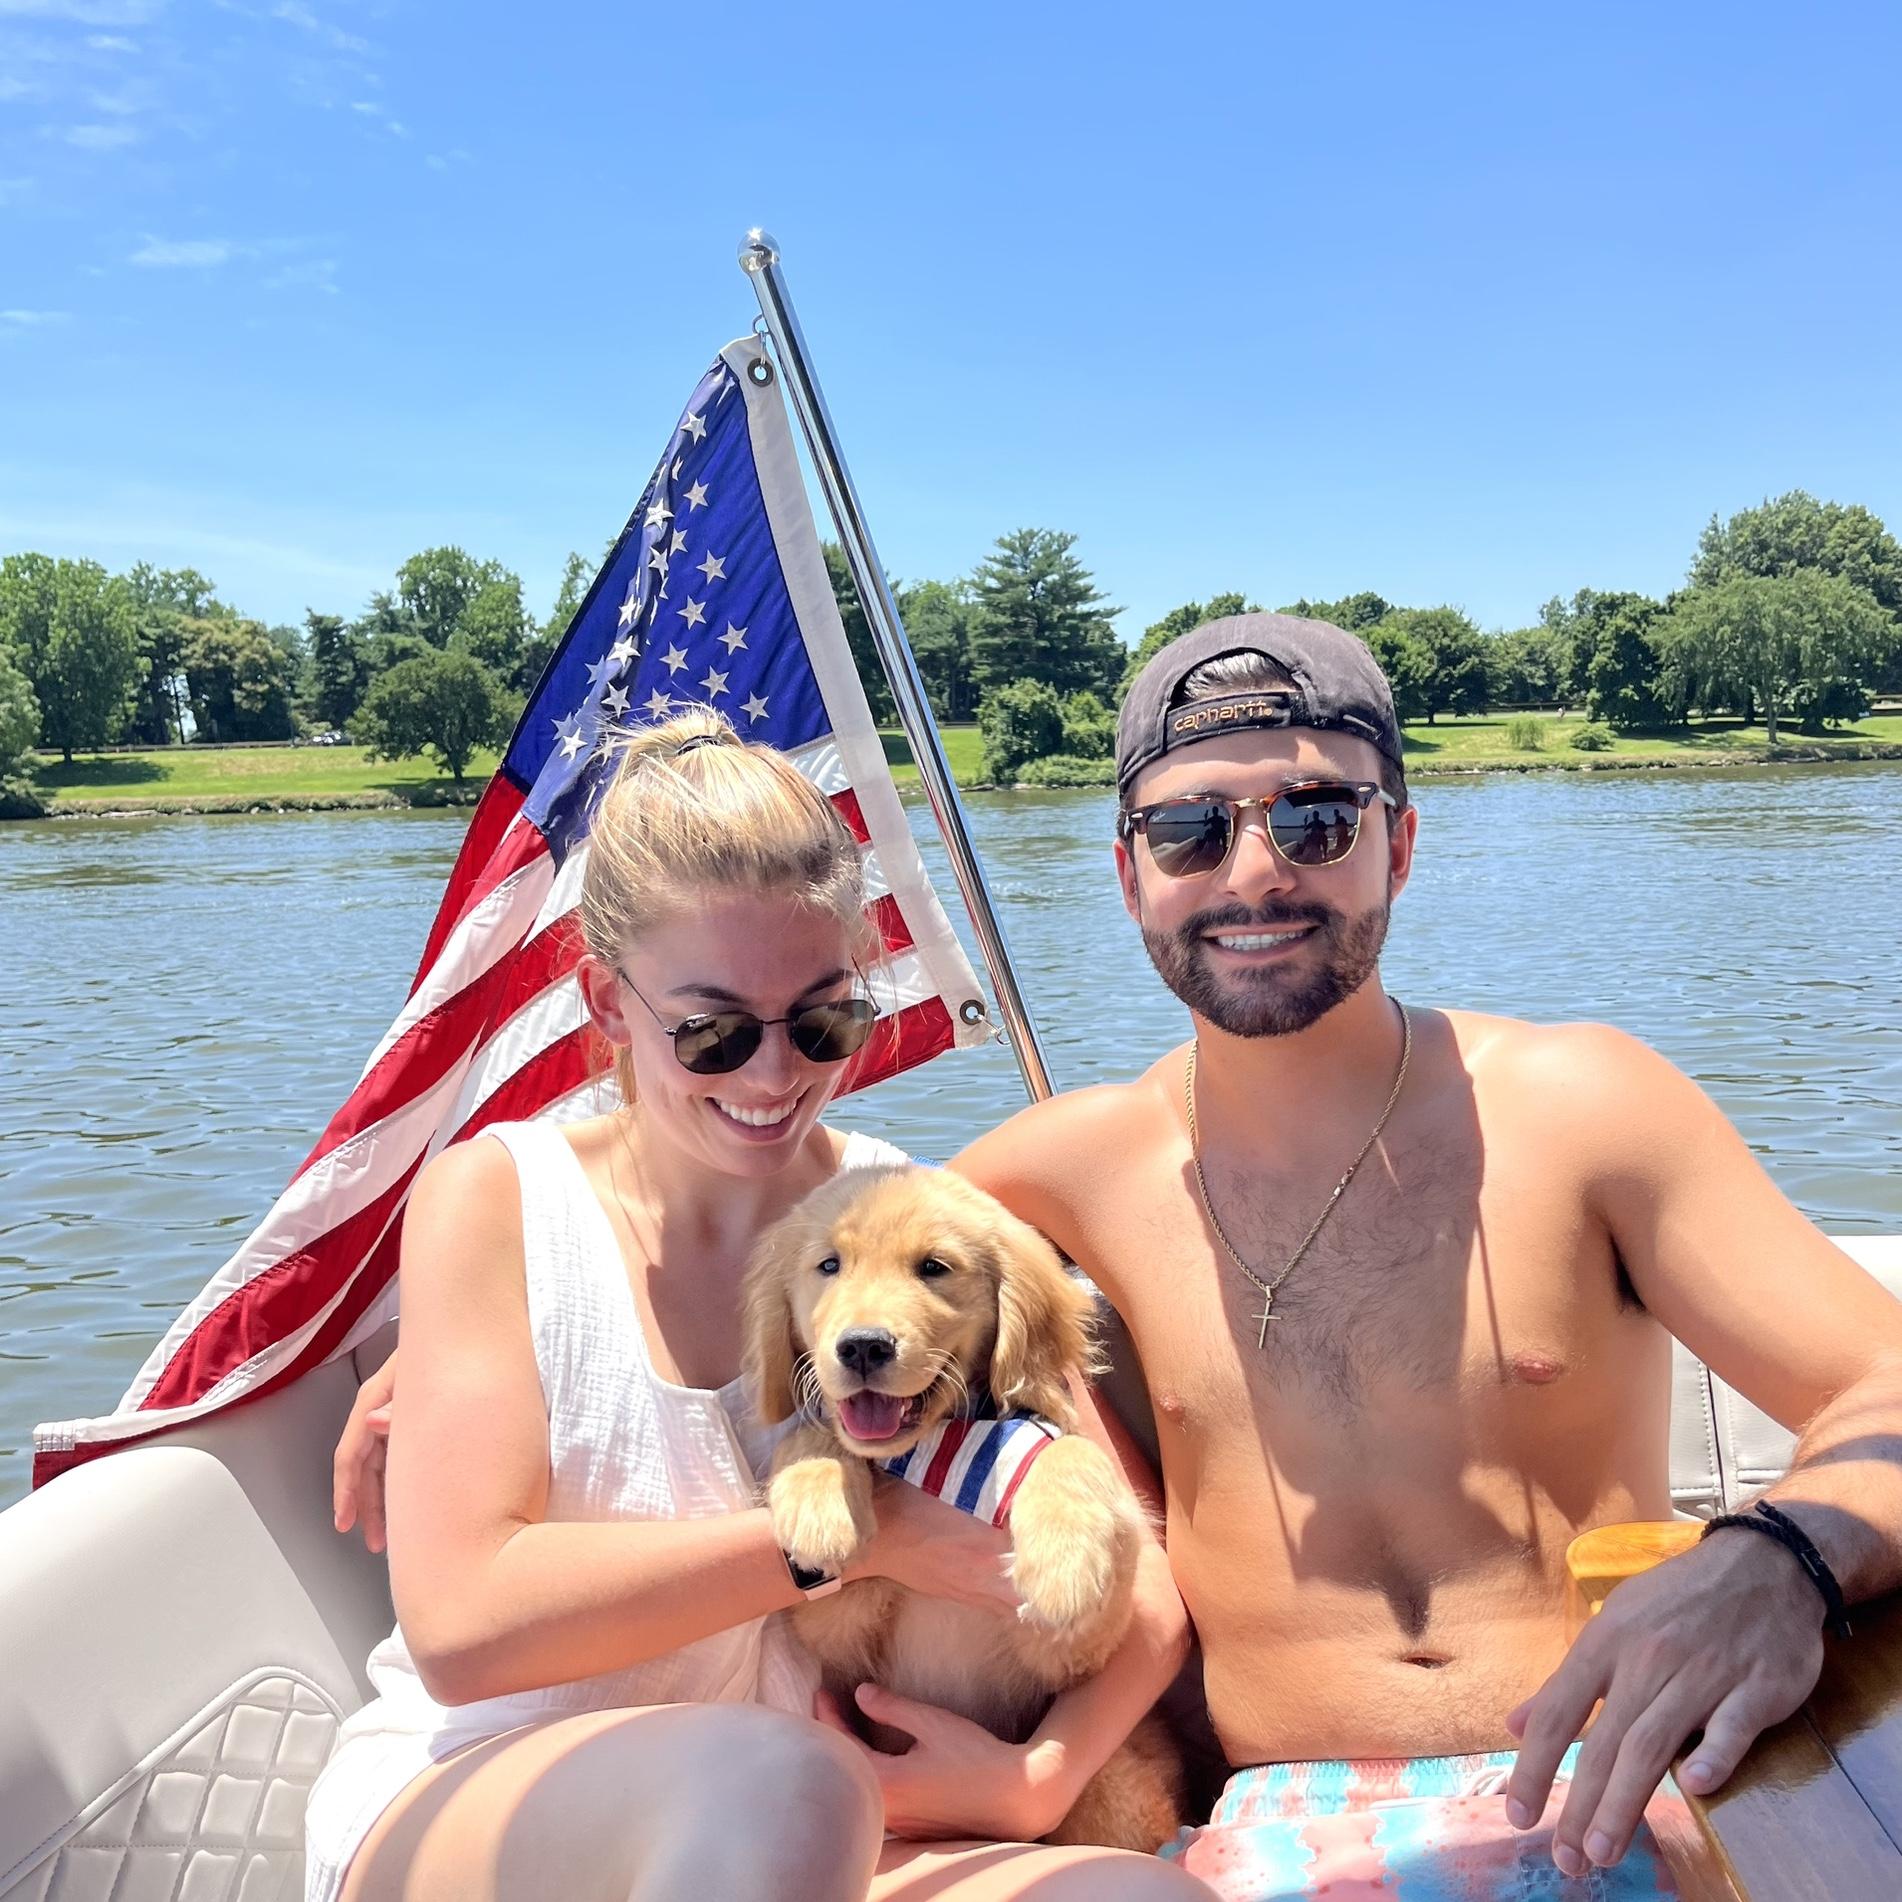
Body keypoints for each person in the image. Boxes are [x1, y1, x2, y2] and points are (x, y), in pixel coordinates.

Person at [950, 612, 1902, 1899]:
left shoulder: (1584, 1107)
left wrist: (1780, 1558)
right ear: (1131, 876)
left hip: (1617, 1789)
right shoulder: (1063, 1170)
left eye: (1315, 820)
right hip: (1255, 1834)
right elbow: (796, 1277)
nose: (1253, 873)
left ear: (1398, 844)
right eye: (1190, 830)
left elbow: (1885, 1381)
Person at [310, 709, 1210, 1902]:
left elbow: (1141, 1597)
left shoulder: (891, 1219)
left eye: (824, 1018)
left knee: (1139, 1897)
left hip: (824, 1814)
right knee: (775, 1789)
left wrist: (1036, 1780)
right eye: (714, 1032)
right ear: (606, 1004)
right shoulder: (497, 1201)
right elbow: (464, 1632)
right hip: (489, 1790)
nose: (777, 1073)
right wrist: (859, 1540)